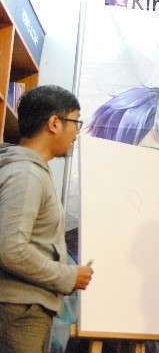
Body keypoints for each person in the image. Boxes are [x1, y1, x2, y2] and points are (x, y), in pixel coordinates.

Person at [0, 85, 93, 352]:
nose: (77, 132)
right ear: (54, 123)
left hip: (24, 309)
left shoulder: (30, 172)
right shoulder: (26, 175)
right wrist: (68, 275)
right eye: (75, 122)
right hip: (19, 312)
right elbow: (10, 249)